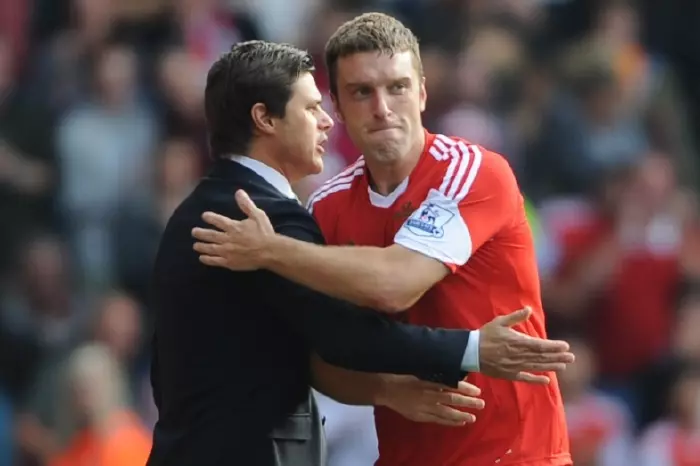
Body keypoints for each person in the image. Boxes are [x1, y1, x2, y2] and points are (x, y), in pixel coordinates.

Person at [191, 13, 572, 466]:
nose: (383, 108)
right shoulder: (327, 207)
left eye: (398, 87)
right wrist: (386, 390)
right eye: (362, 92)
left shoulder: (471, 172)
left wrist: (270, 250)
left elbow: (397, 283)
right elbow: (320, 357)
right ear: (336, 106)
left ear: (423, 93)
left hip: (515, 454)